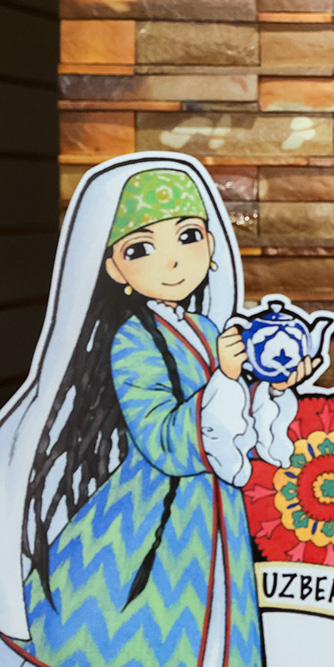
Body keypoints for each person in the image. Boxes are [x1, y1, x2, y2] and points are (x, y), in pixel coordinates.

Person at [0, 153, 315, 666]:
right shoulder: (132, 341)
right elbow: (162, 440)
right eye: (142, 248)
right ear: (113, 267)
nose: (173, 261)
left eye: (189, 236)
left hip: (210, 510)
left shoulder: (207, 330)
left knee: (212, 627)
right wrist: (226, 379)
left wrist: (272, 390)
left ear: (211, 244)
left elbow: (238, 434)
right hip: (149, 518)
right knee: (147, 637)